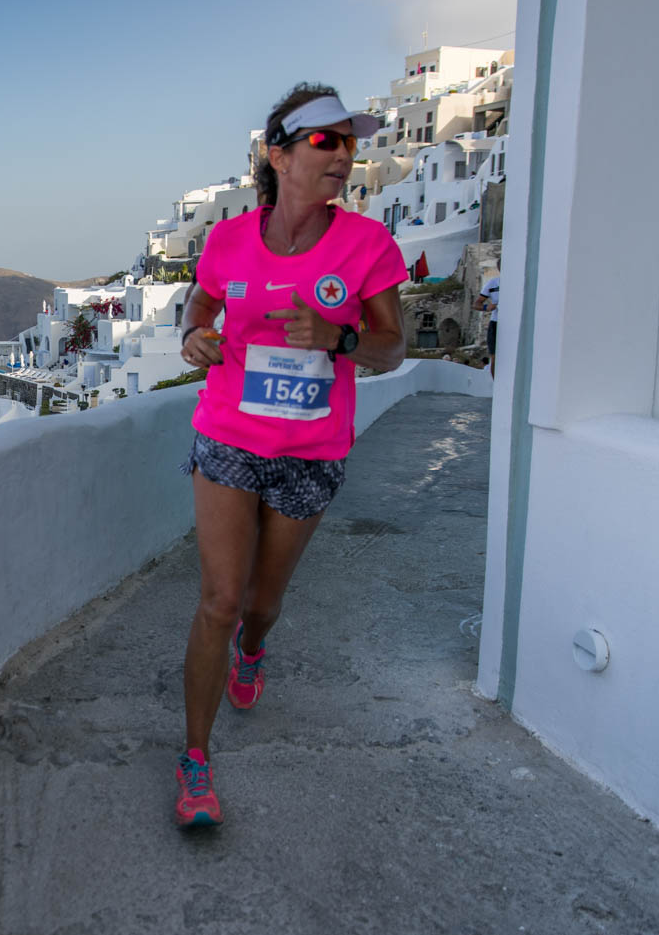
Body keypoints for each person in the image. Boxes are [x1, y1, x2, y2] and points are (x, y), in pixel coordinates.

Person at [172, 84, 407, 827]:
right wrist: (193, 335)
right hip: (228, 438)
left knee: (261, 605)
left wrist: (336, 337)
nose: (343, 156)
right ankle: (196, 760)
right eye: (324, 142)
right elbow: (201, 303)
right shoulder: (229, 240)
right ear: (278, 155)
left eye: (348, 142)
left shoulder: (368, 246)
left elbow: (393, 348)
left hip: (310, 453)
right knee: (218, 597)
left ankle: (255, 646)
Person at [476, 274, 499, 374]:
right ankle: (495, 384)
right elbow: (476, 304)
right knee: (494, 357)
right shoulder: (493, 283)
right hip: (496, 322)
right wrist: (486, 308)